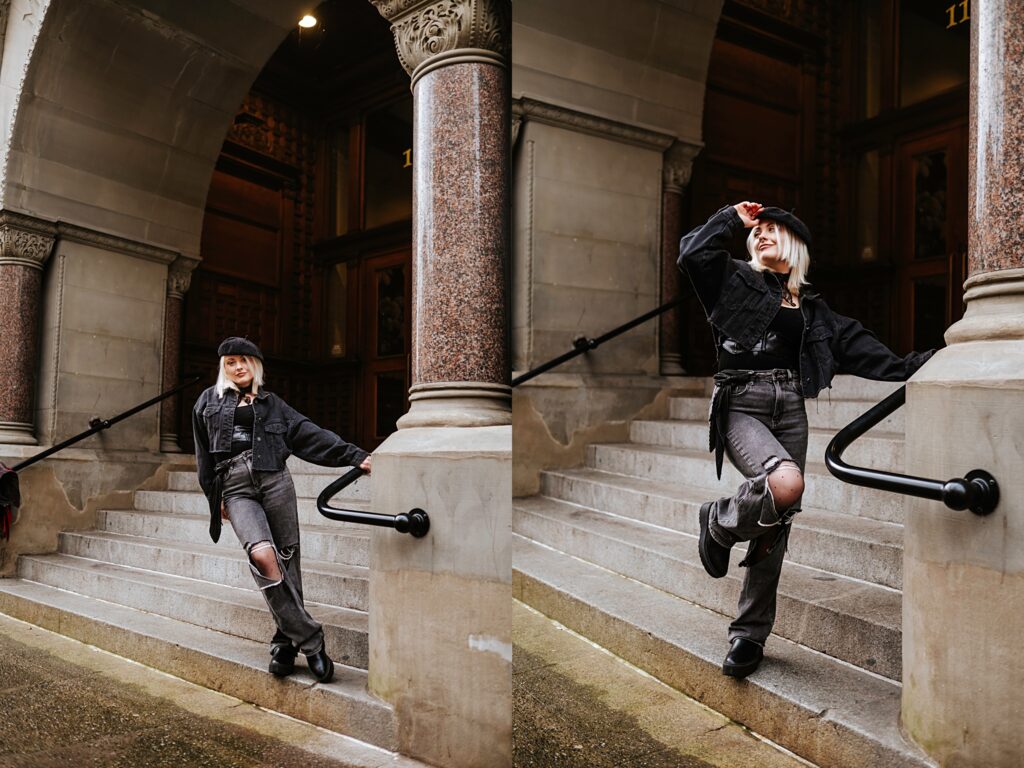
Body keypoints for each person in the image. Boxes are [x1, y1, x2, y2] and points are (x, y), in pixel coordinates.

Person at [677, 202, 933, 678]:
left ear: (796, 245)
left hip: (791, 406)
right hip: (741, 403)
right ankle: (719, 521)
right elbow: (693, 252)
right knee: (786, 485)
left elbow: (872, 354)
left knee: (777, 525)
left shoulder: (814, 311)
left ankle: (749, 635)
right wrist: (733, 219)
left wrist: (927, 363)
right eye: (758, 232)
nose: (762, 235)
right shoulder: (729, 279)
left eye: (774, 230)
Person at [192, 336, 372, 684]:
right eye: (231, 362)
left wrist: (354, 456)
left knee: (288, 560)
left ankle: (285, 643)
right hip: (235, 487)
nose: (238, 366)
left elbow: (310, 435)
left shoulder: (274, 405)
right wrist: (215, 500)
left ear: (256, 365)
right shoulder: (207, 402)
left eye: (244, 360)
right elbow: (203, 457)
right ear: (223, 367)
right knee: (263, 556)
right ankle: (311, 641)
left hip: (274, 481)